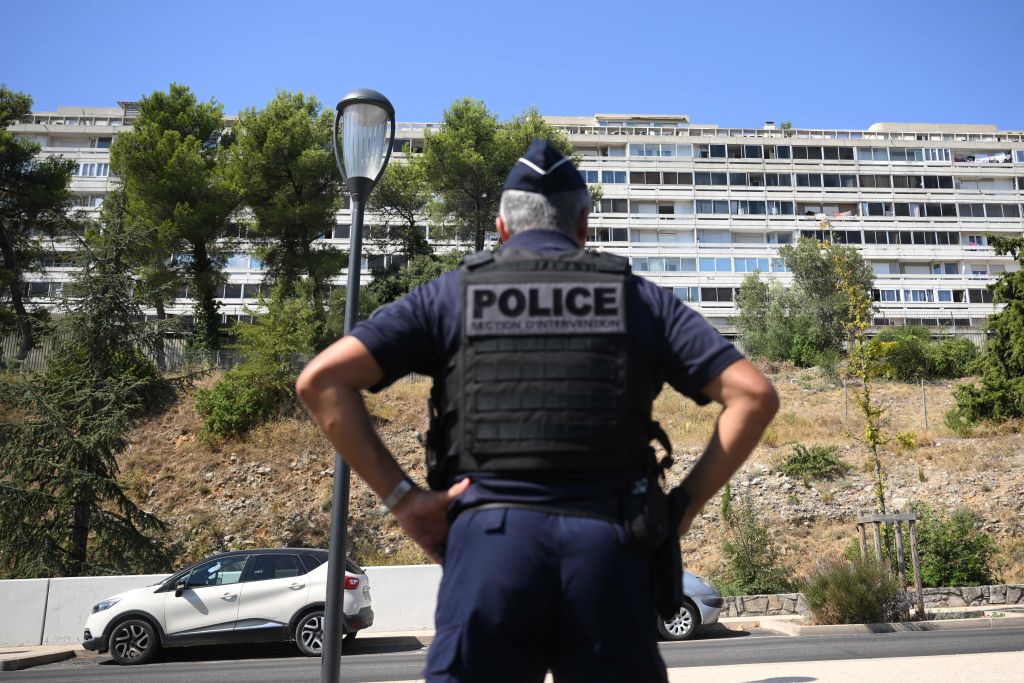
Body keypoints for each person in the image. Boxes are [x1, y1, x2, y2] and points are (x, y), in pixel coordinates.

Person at [296, 139, 779, 682]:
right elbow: (754, 395)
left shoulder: (450, 297)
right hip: (610, 551)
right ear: (584, 226)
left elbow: (322, 381)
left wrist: (405, 500)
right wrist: (683, 507)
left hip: (489, 553)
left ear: (502, 229)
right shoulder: (638, 299)